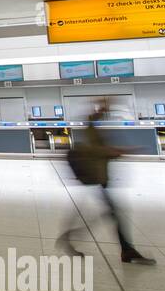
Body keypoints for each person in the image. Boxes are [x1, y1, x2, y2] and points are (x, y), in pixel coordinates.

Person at [58, 100, 156, 265]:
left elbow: (91, 124)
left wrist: (101, 111)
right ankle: (125, 250)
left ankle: (71, 237)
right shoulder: (94, 137)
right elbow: (100, 149)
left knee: (110, 213)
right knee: (112, 213)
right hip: (97, 178)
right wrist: (119, 151)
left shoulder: (93, 132)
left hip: (99, 178)